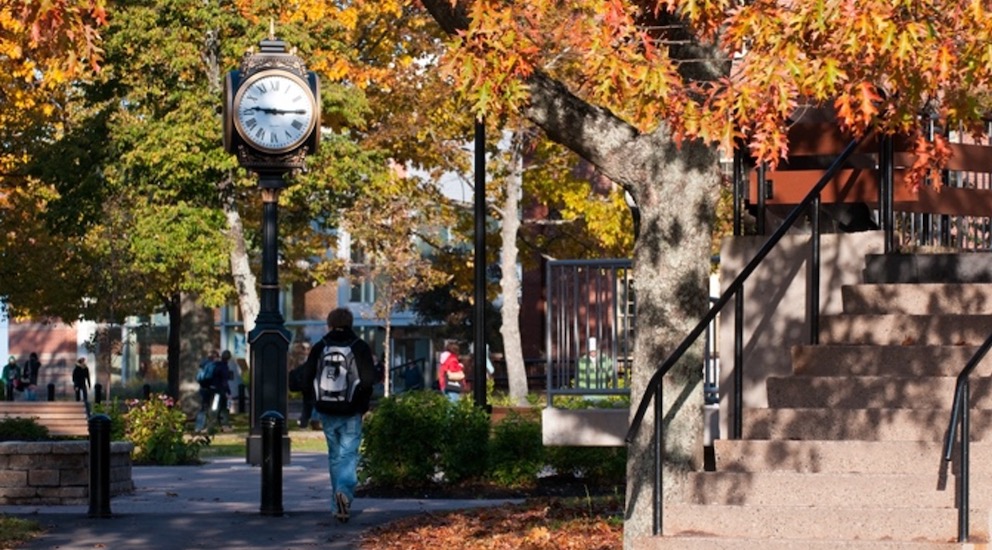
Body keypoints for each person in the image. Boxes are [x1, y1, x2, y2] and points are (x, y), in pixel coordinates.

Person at [302, 307, 375, 523]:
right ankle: (344, 493)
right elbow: (369, 380)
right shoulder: (359, 347)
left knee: (334, 455)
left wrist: (315, 401)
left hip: (327, 409)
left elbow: (307, 378)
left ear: (330, 323)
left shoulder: (320, 347)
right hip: (351, 410)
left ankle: (337, 504)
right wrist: (362, 403)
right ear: (351, 323)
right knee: (349, 454)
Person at [196, 350, 219, 431]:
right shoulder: (213, 365)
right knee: (214, 407)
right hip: (212, 388)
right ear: (215, 357)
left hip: (203, 388)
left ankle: (199, 426)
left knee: (203, 407)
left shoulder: (203, 364)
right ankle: (210, 426)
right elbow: (211, 377)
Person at [212, 351, 233, 428]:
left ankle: (214, 423)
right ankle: (224, 424)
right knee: (226, 407)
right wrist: (227, 392)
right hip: (222, 390)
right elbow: (224, 381)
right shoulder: (224, 366)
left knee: (215, 407)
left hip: (214, 389)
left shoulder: (216, 365)